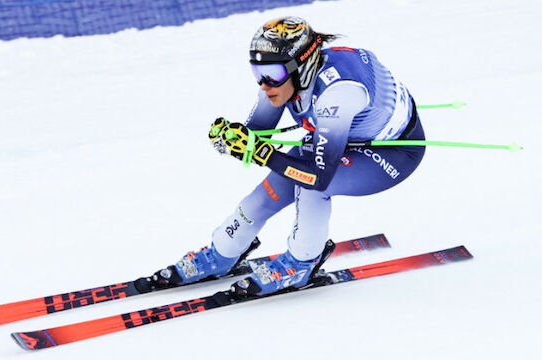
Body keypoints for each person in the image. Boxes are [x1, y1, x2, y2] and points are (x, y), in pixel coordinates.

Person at [164, 16, 426, 295]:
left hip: (391, 152)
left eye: (272, 74)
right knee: (263, 197)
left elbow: (317, 177)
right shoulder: (280, 79)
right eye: (257, 73)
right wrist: (236, 139)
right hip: (341, 135)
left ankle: (302, 263)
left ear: (301, 67)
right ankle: (222, 254)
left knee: (311, 189)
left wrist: (264, 154)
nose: (264, 84)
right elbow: (259, 133)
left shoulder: (338, 95)